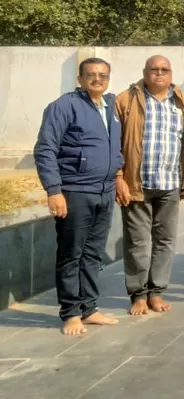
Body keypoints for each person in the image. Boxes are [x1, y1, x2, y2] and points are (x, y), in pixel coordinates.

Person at [34, 58, 124, 335]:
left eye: (103, 75)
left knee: (93, 254)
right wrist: (54, 191)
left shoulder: (111, 107)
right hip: (75, 191)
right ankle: (71, 312)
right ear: (80, 78)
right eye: (92, 75)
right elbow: (45, 149)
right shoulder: (64, 106)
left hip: (104, 191)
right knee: (72, 253)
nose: (98, 79)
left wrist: (118, 177)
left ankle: (89, 308)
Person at [115, 55, 184, 316]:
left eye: (164, 70)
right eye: (154, 69)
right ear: (144, 72)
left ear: (171, 74)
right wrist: (118, 176)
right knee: (138, 242)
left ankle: (156, 291)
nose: (159, 74)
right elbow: (115, 142)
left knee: (165, 240)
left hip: (170, 182)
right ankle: (138, 294)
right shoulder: (126, 100)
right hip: (137, 182)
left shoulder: (182, 101)